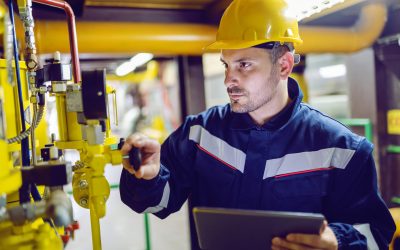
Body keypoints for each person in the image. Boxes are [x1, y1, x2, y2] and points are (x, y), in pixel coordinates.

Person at [119, 0, 396, 249]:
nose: (229, 79)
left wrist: (336, 242)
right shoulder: (199, 134)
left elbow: (375, 235)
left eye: (244, 65)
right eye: (226, 65)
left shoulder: (343, 150)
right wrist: (149, 177)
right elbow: (157, 203)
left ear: (284, 66)